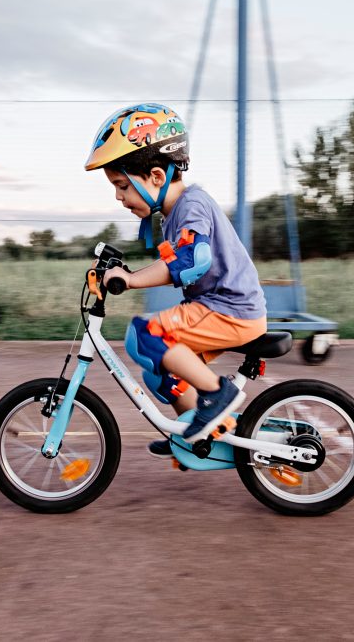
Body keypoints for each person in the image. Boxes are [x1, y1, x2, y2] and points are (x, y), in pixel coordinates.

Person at [84, 103, 267, 455]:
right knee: (159, 372)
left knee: (145, 334)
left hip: (230, 310)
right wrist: (121, 272)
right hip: (219, 309)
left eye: (122, 185)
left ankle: (217, 394)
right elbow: (177, 261)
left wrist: (131, 279)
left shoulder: (191, 205)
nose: (119, 197)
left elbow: (192, 260)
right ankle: (196, 433)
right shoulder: (175, 212)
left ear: (155, 176)